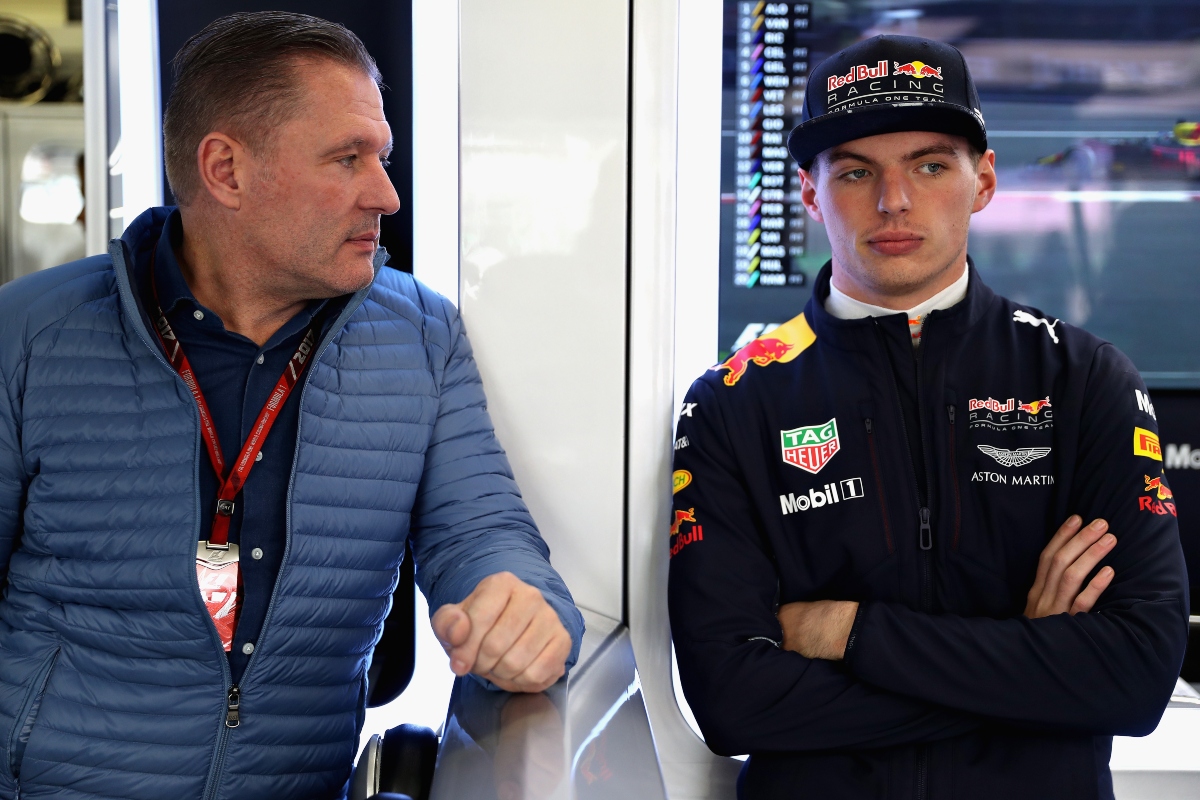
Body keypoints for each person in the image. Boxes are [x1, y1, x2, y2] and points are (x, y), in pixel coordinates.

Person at [0, 13, 581, 800]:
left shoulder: (423, 336)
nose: (387, 193)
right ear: (226, 170)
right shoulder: (29, 334)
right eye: (347, 159)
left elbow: (484, 536)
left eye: (383, 157)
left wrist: (529, 608)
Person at [669, 34, 1188, 800]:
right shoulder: (730, 406)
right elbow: (733, 701)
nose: (894, 202)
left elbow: (1136, 675)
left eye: (930, 165)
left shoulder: (1084, 381)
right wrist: (1030, 667)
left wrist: (847, 632)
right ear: (809, 195)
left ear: (982, 182)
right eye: (855, 172)